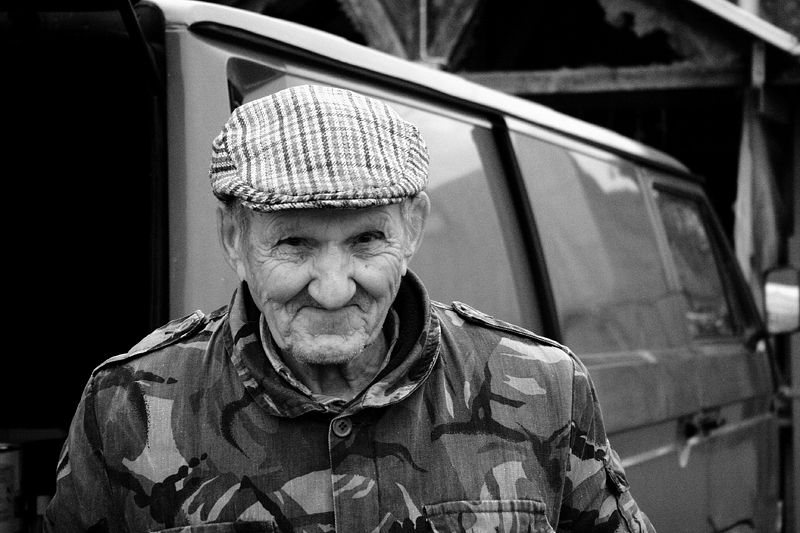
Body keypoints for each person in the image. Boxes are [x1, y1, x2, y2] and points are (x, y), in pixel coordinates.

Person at [45, 84, 655, 532]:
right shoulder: (127, 406)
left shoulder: (547, 390)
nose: (334, 290)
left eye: (366, 240)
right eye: (294, 243)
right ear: (234, 237)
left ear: (412, 228)